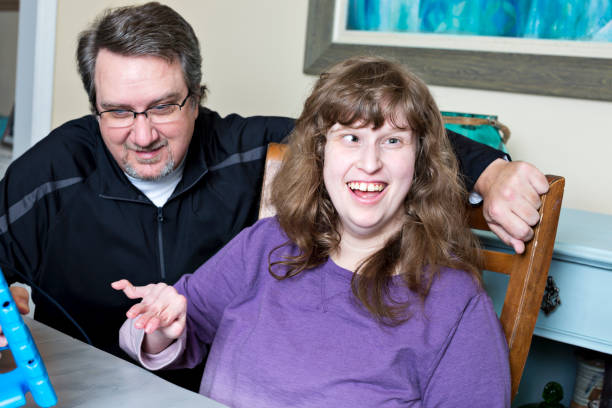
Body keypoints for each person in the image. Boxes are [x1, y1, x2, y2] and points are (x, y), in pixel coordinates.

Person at [0, 1, 542, 392]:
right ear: (95, 106)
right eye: (118, 111)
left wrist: (490, 170)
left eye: (163, 106)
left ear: (197, 99)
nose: (142, 135)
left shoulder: (252, 150)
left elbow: (367, 130)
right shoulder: (49, 173)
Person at [116, 56, 511, 407]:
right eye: (351, 138)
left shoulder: (455, 302)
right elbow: (165, 335)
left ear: (420, 162)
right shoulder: (266, 243)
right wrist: (161, 328)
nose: (369, 163)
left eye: (392, 141)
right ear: (320, 153)